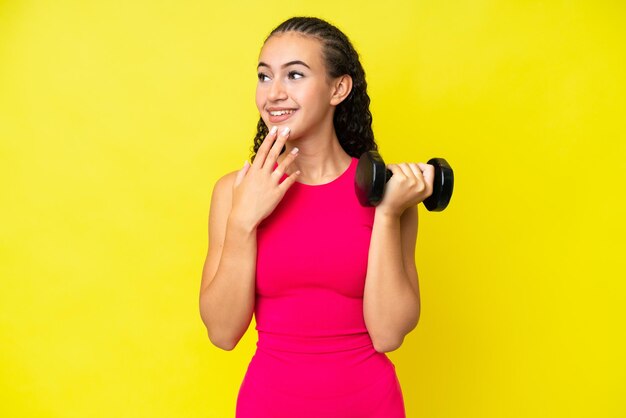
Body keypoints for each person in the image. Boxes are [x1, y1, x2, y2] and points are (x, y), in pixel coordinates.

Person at [199, 16, 434, 418]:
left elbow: (389, 333)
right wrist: (242, 220)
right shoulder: (232, 192)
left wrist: (388, 214)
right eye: (263, 76)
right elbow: (222, 334)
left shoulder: (389, 194)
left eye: (294, 75)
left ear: (338, 89)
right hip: (269, 405)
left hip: (369, 404)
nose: (273, 93)